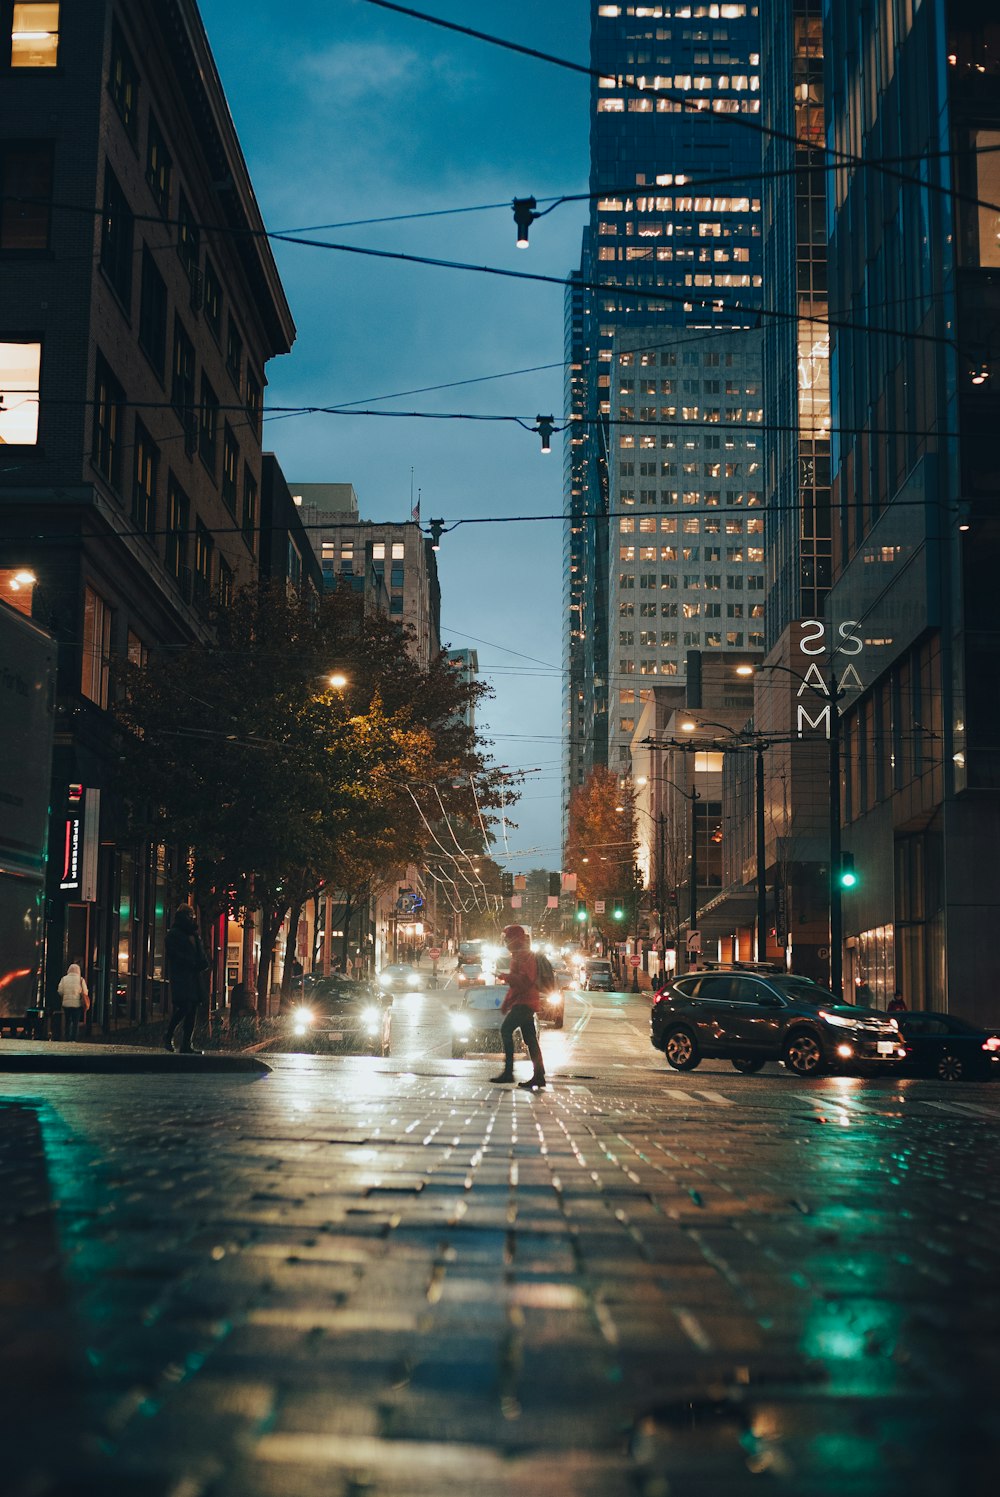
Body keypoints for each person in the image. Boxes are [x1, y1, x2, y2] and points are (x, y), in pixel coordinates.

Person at [491, 924, 546, 1090]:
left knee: (506, 1030)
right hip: (524, 1002)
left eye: (507, 938)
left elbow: (524, 981)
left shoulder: (524, 956)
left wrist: (504, 976)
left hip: (525, 1003)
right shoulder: (518, 955)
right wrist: (508, 1001)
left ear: (515, 939)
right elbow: (517, 984)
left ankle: (509, 1072)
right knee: (530, 1039)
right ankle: (539, 1075)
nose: (506, 941)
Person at [164, 904, 209, 1053]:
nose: (191, 918)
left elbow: (200, 953)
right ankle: (168, 1035)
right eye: (189, 916)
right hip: (182, 977)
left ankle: (186, 1044)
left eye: (192, 916)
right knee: (185, 1007)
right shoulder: (174, 934)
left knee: (192, 1011)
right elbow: (173, 954)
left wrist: (203, 962)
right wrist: (190, 962)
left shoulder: (194, 935)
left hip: (194, 977)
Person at [57, 962, 88, 1041]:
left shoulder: (64, 979)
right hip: (77, 1005)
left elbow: (60, 991)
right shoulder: (81, 980)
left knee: (67, 1021)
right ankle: (73, 1039)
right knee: (75, 1022)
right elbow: (85, 992)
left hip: (66, 1004)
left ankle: (67, 1038)